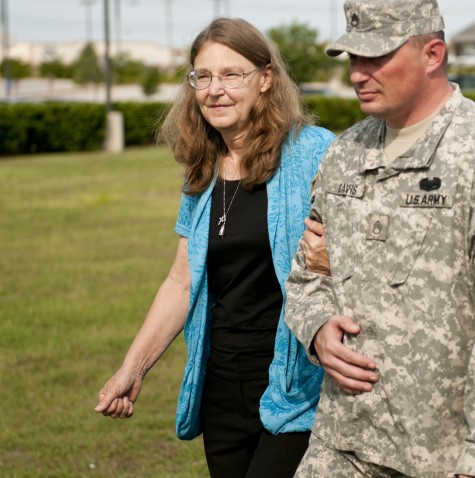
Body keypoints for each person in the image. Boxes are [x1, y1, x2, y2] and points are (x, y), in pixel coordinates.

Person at [284, 1, 475, 477]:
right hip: (347, 438)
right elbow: (310, 272)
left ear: (433, 54)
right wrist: (317, 327)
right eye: (353, 59)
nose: (357, 74)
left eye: (377, 57)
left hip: (446, 451)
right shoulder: (345, 154)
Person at [94, 17, 335, 478]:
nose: (214, 89)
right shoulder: (202, 170)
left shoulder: (314, 152)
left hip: (297, 389)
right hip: (221, 388)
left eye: (231, 74)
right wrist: (134, 368)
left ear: (266, 78)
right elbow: (181, 280)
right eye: (202, 76)